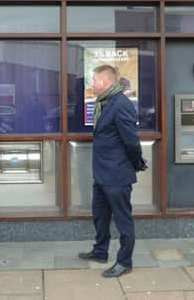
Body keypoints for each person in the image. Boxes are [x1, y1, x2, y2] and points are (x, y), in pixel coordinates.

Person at [78, 64, 146, 278]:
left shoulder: (121, 105)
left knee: (123, 220)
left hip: (117, 174)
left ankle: (124, 262)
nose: (92, 84)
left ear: (105, 83)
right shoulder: (105, 103)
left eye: (94, 81)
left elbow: (132, 141)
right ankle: (100, 251)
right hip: (102, 173)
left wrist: (136, 163)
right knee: (100, 214)